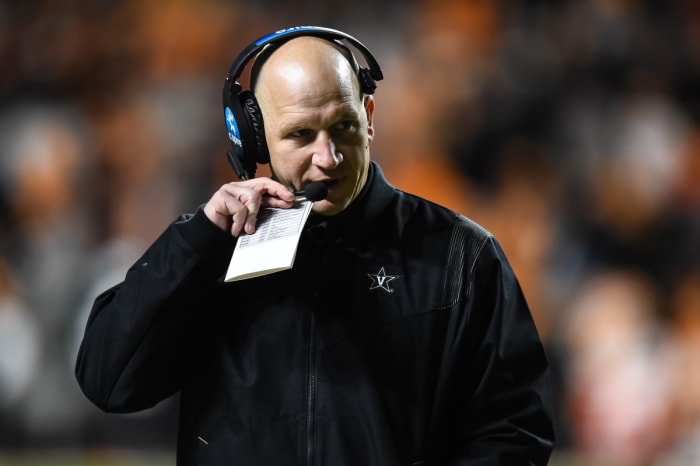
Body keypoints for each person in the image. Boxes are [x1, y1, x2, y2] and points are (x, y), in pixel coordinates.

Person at [75, 26, 555, 465]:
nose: (328, 157)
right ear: (254, 139)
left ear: (368, 115)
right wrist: (196, 241)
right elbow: (109, 381)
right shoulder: (211, 252)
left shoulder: (459, 253)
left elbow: (513, 431)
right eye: (301, 135)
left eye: (343, 126)